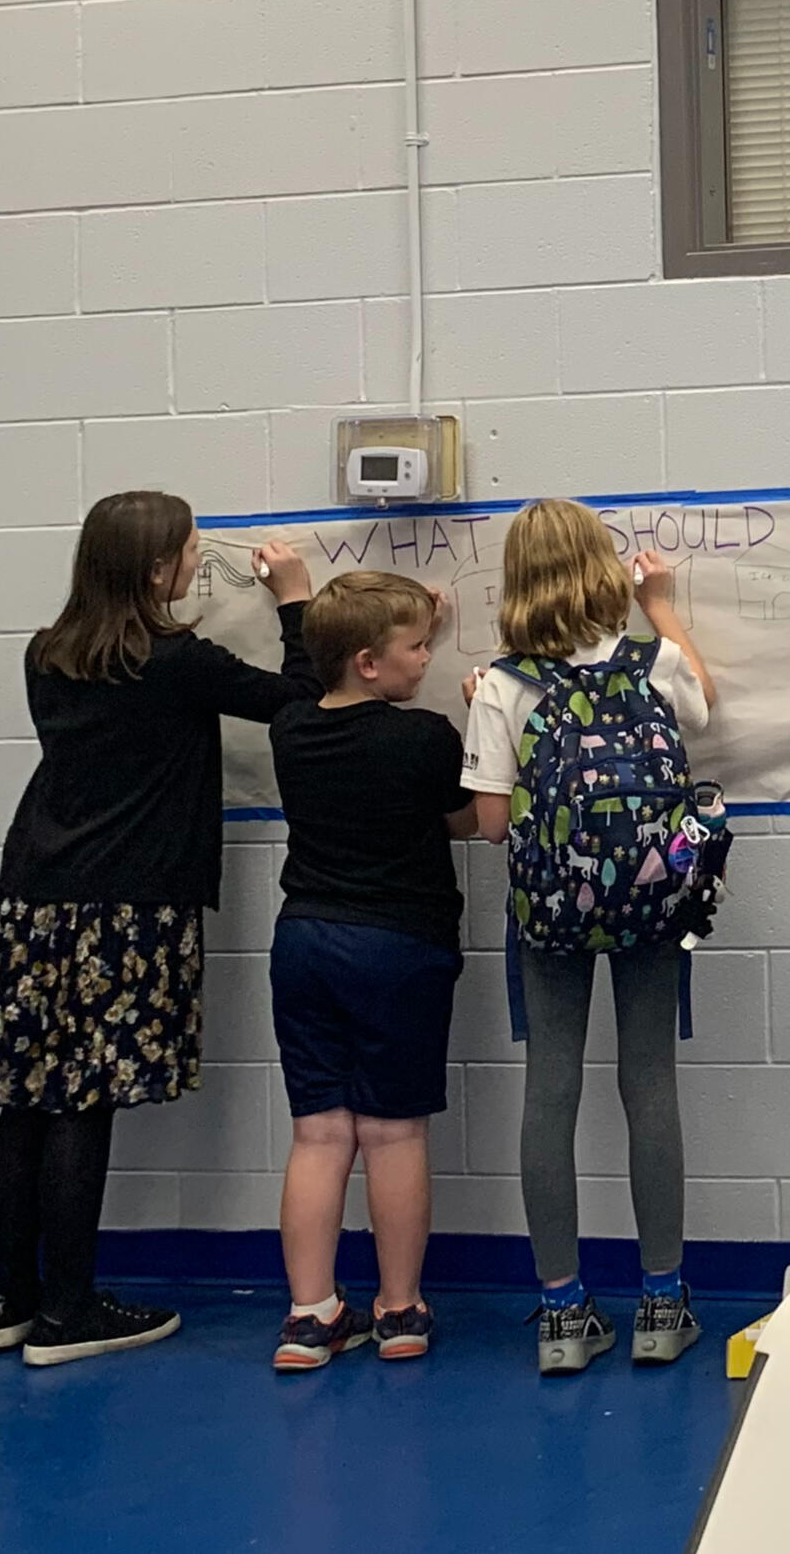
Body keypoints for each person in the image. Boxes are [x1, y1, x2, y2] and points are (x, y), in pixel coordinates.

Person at [0, 491, 317, 1366]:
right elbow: (300, 700)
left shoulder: (48, 653)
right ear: (156, 568)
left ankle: (11, 1297)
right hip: (126, 905)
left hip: (32, 896)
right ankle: (69, 1311)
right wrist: (295, 603)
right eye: (189, 553)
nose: (199, 565)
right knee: (83, 1101)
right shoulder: (171, 660)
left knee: (26, 1101)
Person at [461, 500, 716, 1375]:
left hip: (547, 916)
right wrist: (663, 606)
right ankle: (661, 1303)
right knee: (649, 1084)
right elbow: (707, 712)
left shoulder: (501, 684)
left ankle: (563, 1317)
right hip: (650, 908)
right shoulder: (657, 661)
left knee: (550, 1090)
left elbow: (494, 826)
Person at [267, 571, 477, 1371]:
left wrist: (407, 620)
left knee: (319, 1132)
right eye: (416, 646)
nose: (425, 657)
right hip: (399, 947)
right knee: (392, 1134)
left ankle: (310, 1315)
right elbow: (463, 819)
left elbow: (310, 674)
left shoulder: (290, 730)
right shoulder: (423, 737)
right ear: (366, 660)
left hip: (306, 942)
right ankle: (398, 1309)